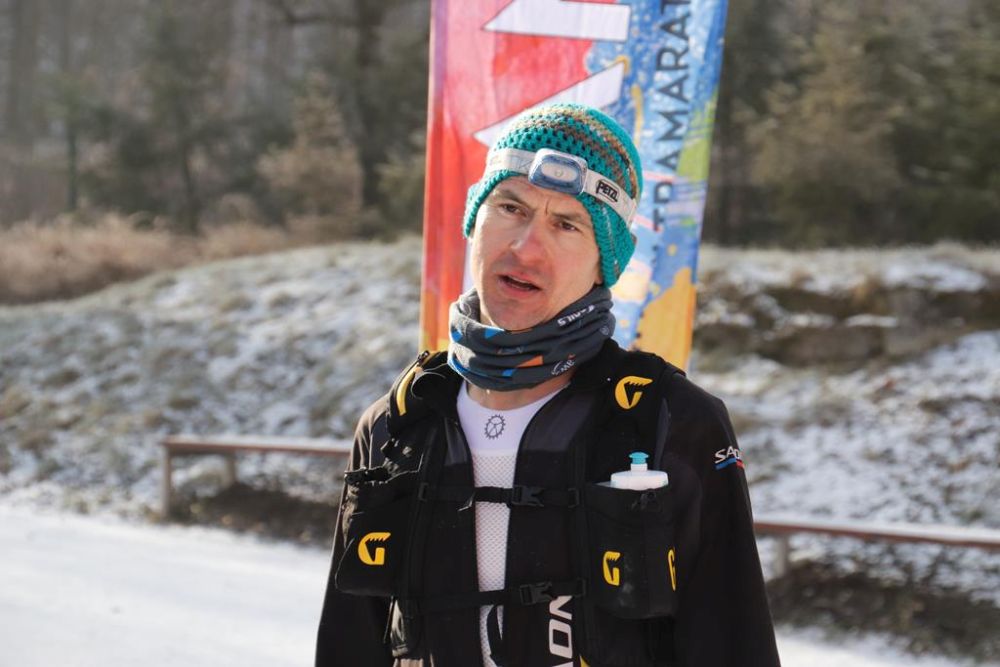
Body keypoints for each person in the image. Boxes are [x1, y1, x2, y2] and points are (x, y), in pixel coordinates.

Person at [316, 103, 780, 667]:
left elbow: (734, 644)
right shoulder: (399, 423)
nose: (525, 248)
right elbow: (348, 642)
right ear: (474, 221)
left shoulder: (671, 421)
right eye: (510, 207)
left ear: (605, 263)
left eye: (566, 224)